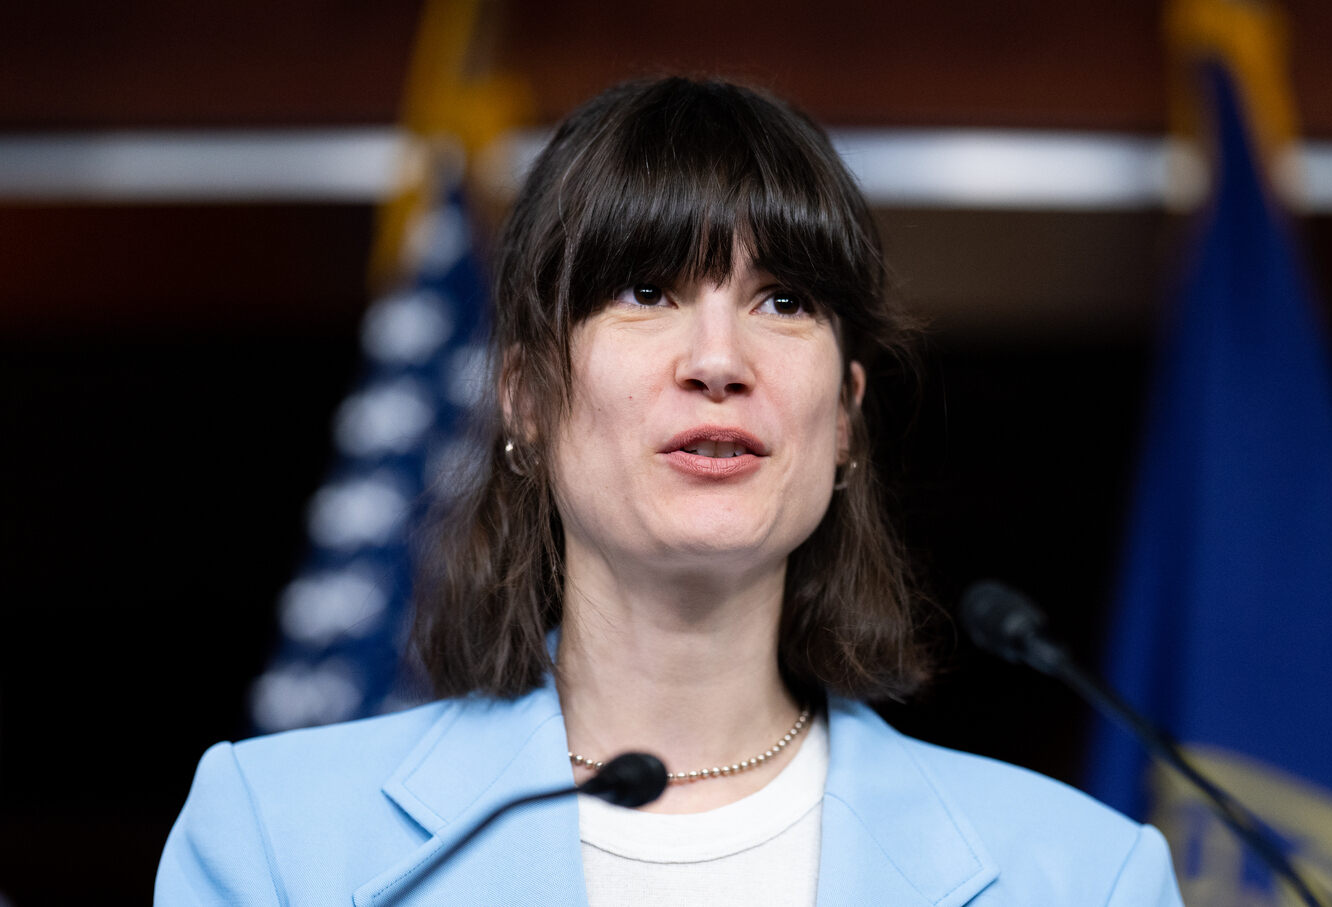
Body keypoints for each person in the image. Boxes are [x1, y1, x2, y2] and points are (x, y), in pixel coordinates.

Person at [156, 77, 1183, 905]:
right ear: (524, 395)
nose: (718, 359)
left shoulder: (1084, 876)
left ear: (841, 418)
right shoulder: (275, 836)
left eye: (782, 300)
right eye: (647, 292)